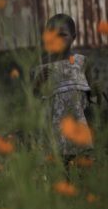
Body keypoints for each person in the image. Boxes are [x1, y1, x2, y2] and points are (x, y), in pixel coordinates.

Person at [31, 13, 93, 161]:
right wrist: (38, 83)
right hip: (54, 130)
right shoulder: (42, 67)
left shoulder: (81, 62)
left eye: (62, 34)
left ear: (74, 36)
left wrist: (95, 92)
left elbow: (90, 95)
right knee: (60, 168)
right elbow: (34, 99)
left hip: (79, 126)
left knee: (82, 166)